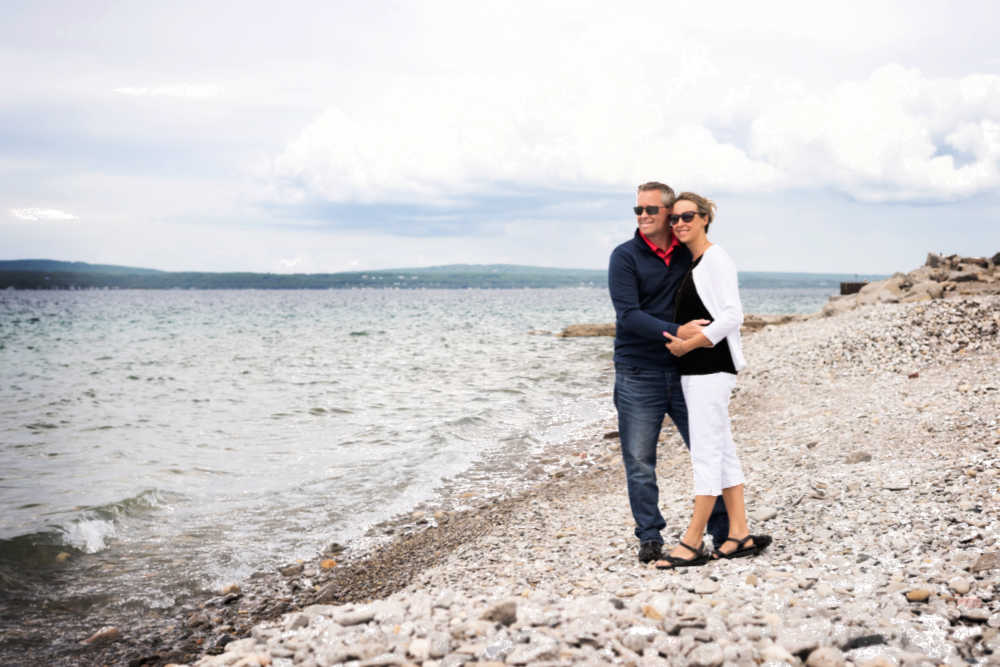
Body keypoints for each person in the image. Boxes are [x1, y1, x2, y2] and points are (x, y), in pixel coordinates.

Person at [608, 182, 730, 563]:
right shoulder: (624, 257)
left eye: (651, 210)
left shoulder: (687, 256)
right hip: (637, 372)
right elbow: (628, 316)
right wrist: (677, 330)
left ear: (668, 214)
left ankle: (724, 532)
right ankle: (649, 535)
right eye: (637, 210)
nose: (643, 216)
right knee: (640, 460)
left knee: (708, 448)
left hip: (686, 370)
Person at [653, 192, 771, 568]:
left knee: (705, 453)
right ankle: (739, 533)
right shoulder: (697, 263)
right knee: (722, 450)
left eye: (688, 216)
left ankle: (691, 542)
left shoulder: (716, 259)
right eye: (674, 219)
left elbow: (733, 316)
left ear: (705, 218)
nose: (680, 223)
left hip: (709, 368)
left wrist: (689, 346)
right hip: (701, 371)